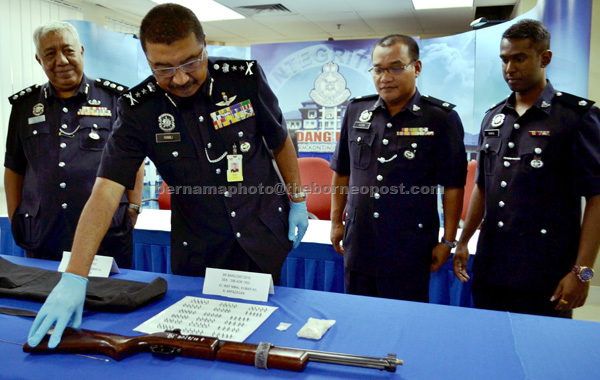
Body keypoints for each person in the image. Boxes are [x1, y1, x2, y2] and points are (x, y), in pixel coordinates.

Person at [27, 3, 308, 348]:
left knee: (264, 341)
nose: (179, 78)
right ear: (146, 58)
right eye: (162, 68)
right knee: (197, 346)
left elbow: (279, 141)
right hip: (199, 247)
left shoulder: (244, 79)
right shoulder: (138, 109)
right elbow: (105, 191)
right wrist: (74, 276)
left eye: (191, 62)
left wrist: (298, 199)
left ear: (204, 44)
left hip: (261, 233)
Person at [454, 19, 600, 317]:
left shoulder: (576, 117)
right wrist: (463, 241)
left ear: (544, 58)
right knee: (489, 346)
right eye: (504, 60)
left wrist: (583, 273)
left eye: (519, 58)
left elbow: (597, 198)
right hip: (492, 266)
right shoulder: (493, 118)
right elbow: (483, 186)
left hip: (546, 270)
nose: (510, 68)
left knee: (542, 357)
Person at [330, 34, 467, 302]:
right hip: (359, 242)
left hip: (410, 247)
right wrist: (336, 223)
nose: (385, 77)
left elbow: (453, 185)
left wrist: (448, 240)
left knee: (404, 328)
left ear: (416, 68)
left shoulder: (441, 118)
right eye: (378, 69)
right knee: (358, 322)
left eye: (396, 67)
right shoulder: (357, 111)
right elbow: (342, 172)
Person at [4, 21, 143, 269]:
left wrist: (133, 208)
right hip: (43, 233)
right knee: (41, 300)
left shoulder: (114, 100)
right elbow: (14, 168)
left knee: (110, 300)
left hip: (106, 232)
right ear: (39, 60)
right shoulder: (24, 107)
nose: (61, 60)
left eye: (68, 51)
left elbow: (134, 161)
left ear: (81, 51)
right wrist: (16, 218)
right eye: (50, 54)